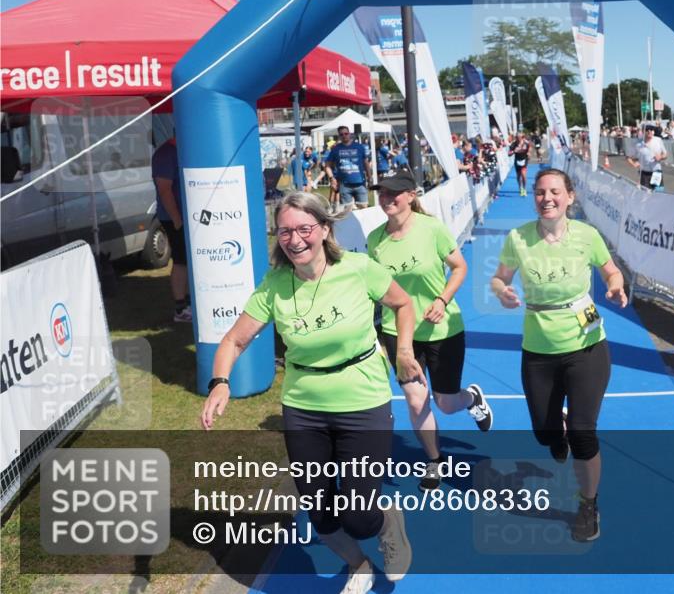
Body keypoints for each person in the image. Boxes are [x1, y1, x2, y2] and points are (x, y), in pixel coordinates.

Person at [201, 191, 417, 592]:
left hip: (363, 400)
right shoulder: (275, 285)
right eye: (285, 231)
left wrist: (402, 350)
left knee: (357, 514)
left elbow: (403, 305)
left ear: (325, 229)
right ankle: (358, 564)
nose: (295, 239)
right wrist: (220, 383)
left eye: (304, 228)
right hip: (304, 406)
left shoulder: (358, 269)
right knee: (318, 508)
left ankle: (387, 521)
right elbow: (233, 341)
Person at [490, 169, 628, 543]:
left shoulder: (587, 235)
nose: (546, 198)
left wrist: (616, 287)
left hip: (587, 345)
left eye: (554, 191)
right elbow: (499, 277)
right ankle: (557, 427)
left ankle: (588, 504)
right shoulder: (519, 238)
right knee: (545, 433)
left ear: (570, 197)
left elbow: (611, 271)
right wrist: (502, 290)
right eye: (539, 192)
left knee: (584, 433)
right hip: (539, 349)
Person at [367, 171, 493, 491]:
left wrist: (442, 299)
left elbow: (459, 267)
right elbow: (375, 288)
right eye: (381, 194)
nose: (386, 199)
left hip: (442, 327)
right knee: (414, 400)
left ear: (411, 195)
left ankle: (470, 397)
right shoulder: (375, 240)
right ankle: (434, 460)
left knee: (445, 403)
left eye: (393, 193)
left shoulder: (432, 229)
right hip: (399, 331)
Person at [151, 136, 190, 323]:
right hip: (175, 218)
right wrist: (176, 219)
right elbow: (164, 189)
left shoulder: (184, 148)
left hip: (188, 217)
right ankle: (180, 308)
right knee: (181, 260)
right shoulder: (165, 154)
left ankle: (190, 303)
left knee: (190, 260)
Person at [325, 126, 370, 210]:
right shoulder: (335, 149)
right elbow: (327, 165)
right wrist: (332, 178)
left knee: (364, 208)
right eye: (341, 134)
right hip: (344, 185)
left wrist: (370, 177)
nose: (344, 136)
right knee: (347, 212)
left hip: (360, 183)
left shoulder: (359, 147)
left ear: (349, 134)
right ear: (339, 136)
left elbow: (366, 163)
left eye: (346, 133)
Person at [626, 124, 667, 190]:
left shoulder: (658, 140)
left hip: (656, 172)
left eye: (651, 130)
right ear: (643, 131)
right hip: (644, 173)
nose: (649, 131)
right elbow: (628, 157)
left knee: (658, 193)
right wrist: (633, 164)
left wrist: (661, 157)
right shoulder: (638, 144)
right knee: (646, 194)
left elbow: (665, 154)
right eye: (647, 130)